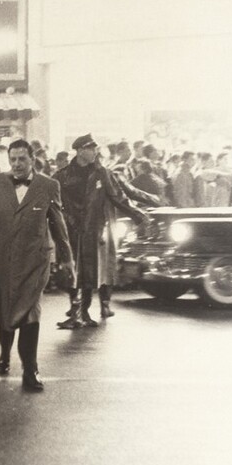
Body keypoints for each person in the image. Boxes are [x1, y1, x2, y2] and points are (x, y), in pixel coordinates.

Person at [0, 139, 74, 392]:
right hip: (0, 261)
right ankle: (5, 353)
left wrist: (67, 257)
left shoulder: (49, 186)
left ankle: (30, 369)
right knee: (4, 314)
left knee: (30, 313)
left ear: (32, 159)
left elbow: (59, 226)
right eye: (12, 159)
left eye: (21, 159)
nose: (16, 164)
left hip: (34, 262)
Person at [54, 134, 147, 328]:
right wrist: (66, 219)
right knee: (72, 271)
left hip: (92, 229)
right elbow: (55, 201)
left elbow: (118, 197)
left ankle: (82, 313)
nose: (95, 152)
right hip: (71, 229)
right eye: (91, 149)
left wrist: (138, 214)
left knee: (88, 272)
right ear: (80, 151)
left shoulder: (102, 173)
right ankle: (78, 312)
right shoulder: (62, 176)